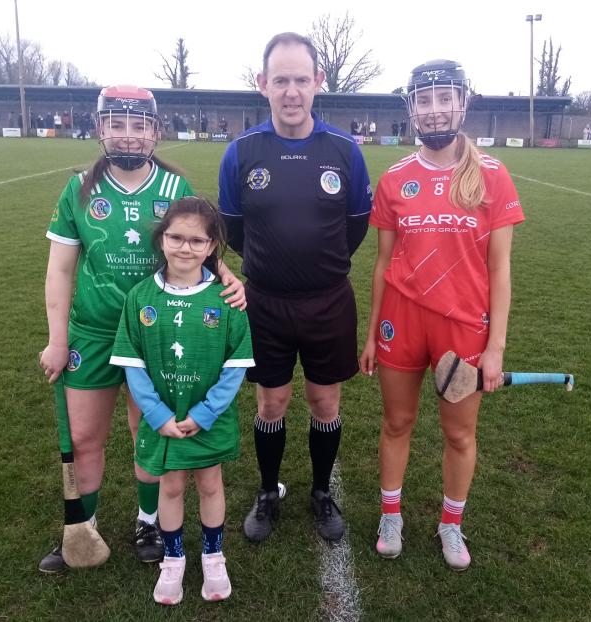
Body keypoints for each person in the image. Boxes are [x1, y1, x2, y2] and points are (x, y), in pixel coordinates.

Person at [38, 85, 246, 574]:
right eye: (116, 124)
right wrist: (57, 339)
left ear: (155, 131)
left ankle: (147, 522)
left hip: (156, 333)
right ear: (99, 128)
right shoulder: (79, 189)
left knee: (148, 431)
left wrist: (226, 273)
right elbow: (60, 270)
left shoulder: (174, 187)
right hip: (92, 332)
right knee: (84, 437)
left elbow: (198, 243)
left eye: (138, 125)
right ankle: (82, 530)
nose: (127, 135)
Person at [359, 59, 525, 570]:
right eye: (424, 100)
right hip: (402, 321)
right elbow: (383, 263)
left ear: (463, 102)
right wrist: (371, 334)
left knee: (459, 433)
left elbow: (500, 269)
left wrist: (496, 347)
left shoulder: (492, 175)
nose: (434, 110)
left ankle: (451, 523)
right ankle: (391, 515)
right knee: (397, 422)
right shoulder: (395, 179)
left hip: (463, 327)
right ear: (411, 108)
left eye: (444, 98)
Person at [218, 32, 372, 543]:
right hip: (265, 303)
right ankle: (268, 491)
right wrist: (273, 266)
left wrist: (317, 265)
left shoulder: (344, 151)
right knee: (271, 403)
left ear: (318, 82)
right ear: (262, 83)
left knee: (325, 403)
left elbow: (355, 226)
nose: (291, 91)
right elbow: (233, 229)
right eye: (280, 80)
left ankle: (322, 492)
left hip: (328, 301)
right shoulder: (241, 153)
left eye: (301, 80)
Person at [111, 197, 254, 605]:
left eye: (196, 240)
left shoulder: (227, 299)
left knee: (210, 483)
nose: (185, 248)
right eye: (176, 237)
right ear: (161, 239)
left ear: (211, 247)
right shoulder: (140, 297)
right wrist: (157, 414)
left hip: (208, 418)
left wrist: (205, 413)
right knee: (170, 486)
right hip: (165, 420)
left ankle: (213, 556)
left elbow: (235, 367)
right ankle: (173, 559)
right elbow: (133, 365)